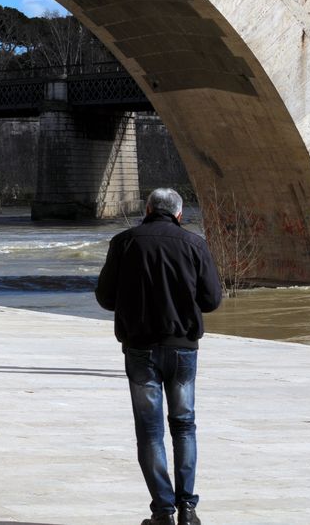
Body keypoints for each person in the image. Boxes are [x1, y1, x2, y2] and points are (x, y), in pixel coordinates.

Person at [96, 188, 223, 525]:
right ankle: (188, 509)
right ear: (180, 214)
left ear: (148, 208)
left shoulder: (124, 242)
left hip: (140, 348)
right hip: (182, 348)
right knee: (184, 426)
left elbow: (105, 297)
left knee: (150, 431)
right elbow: (211, 300)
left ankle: (163, 512)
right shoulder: (194, 244)